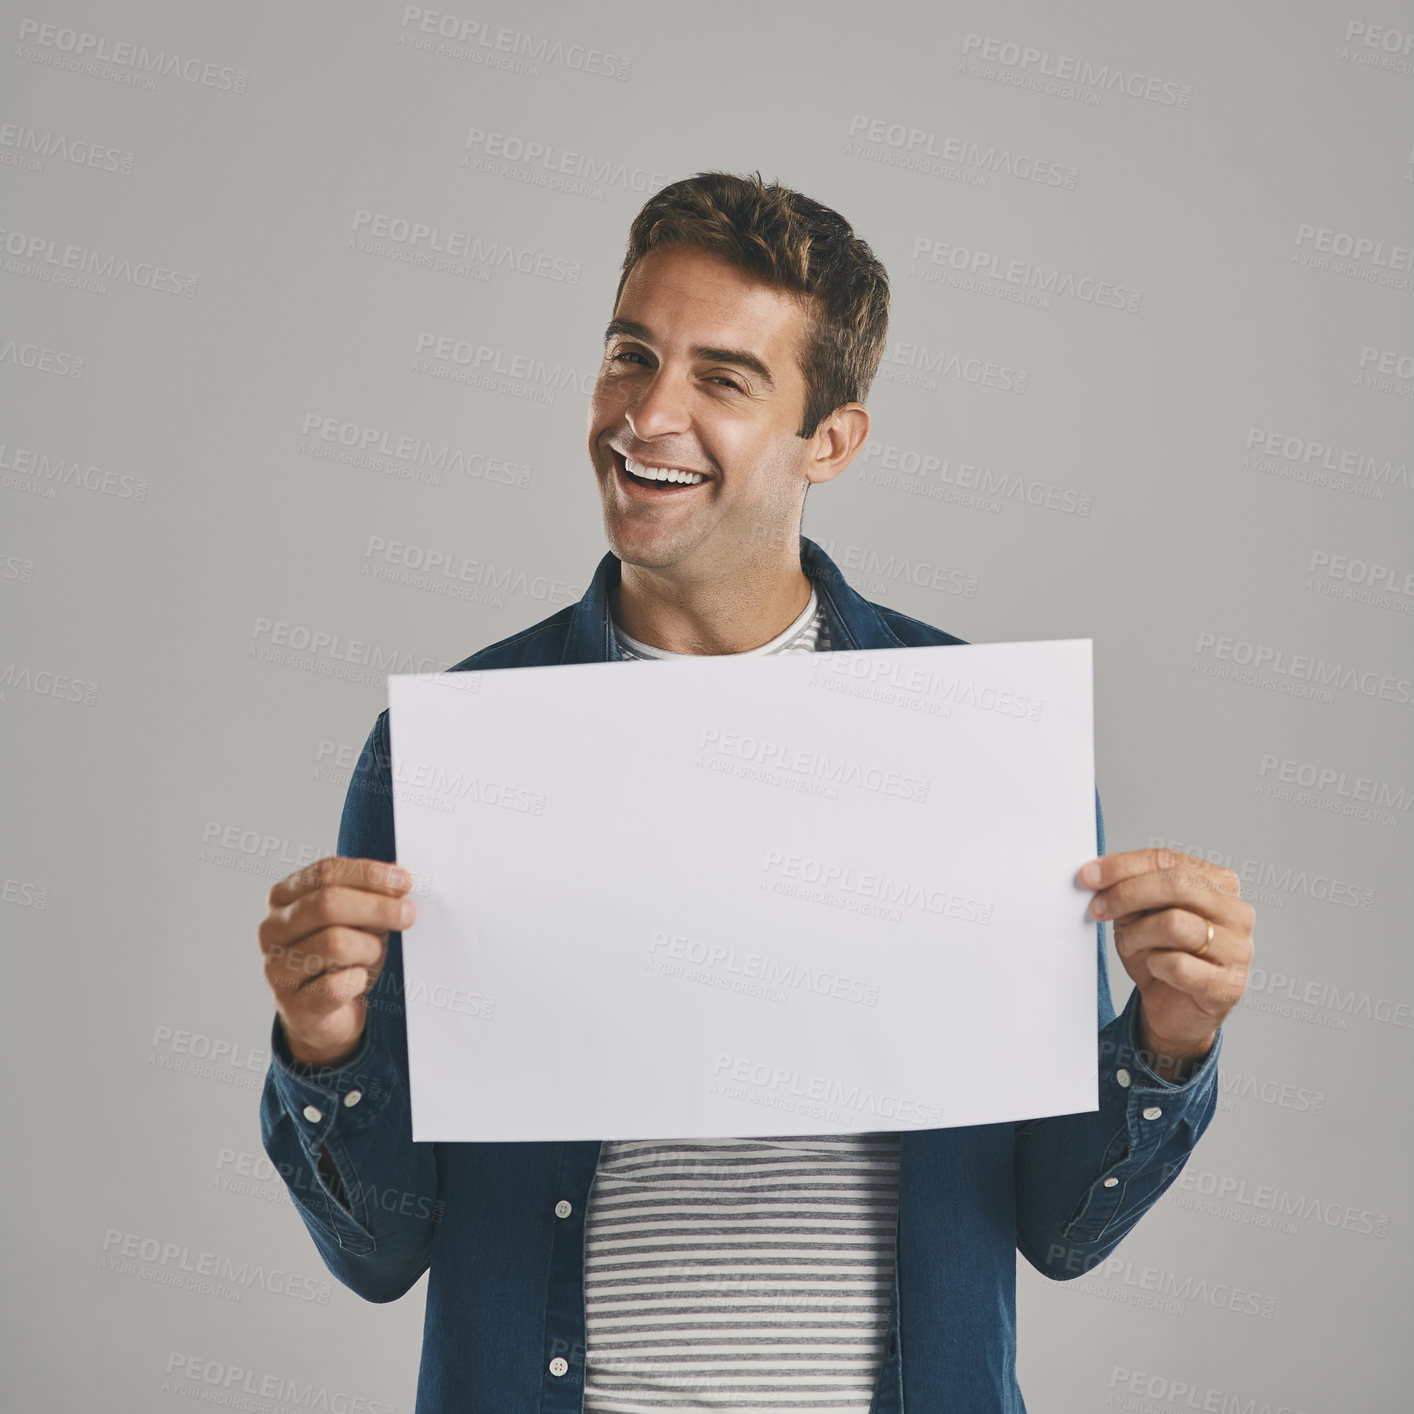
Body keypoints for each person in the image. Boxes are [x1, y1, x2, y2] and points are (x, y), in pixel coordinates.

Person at [257, 171, 1255, 1414]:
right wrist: (323, 1042)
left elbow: (1058, 1225)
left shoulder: (983, 743)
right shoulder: (448, 751)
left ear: (828, 441)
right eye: (631, 355)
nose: (648, 414)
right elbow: (378, 1252)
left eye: (724, 379)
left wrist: (1170, 1032)